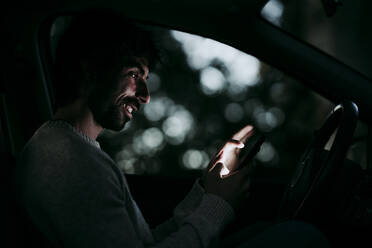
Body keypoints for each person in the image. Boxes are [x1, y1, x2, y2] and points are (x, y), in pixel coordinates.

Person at [14, 11, 329, 248]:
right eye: (135, 73)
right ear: (91, 68)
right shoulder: (68, 161)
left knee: (268, 229)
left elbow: (144, 242)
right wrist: (218, 206)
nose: (145, 95)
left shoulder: (74, 149)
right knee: (301, 236)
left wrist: (205, 192)